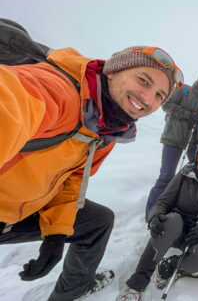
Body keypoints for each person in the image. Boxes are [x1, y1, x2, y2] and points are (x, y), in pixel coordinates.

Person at [0, 34, 183, 301]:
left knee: (98, 221)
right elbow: (12, 101)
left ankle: (68, 293)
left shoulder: (104, 127)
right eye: (143, 80)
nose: (148, 98)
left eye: (159, 96)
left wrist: (57, 232)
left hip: (18, 209)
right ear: (113, 70)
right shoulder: (60, 92)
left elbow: (72, 179)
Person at [117, 140, 198, 301]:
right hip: (177, 229)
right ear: (197, 155)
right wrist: (155, 216)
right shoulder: (184, 174)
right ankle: (136, 285)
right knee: (171, 221)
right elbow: (163, 201)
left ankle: (167, 268)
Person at [145, 70, 198, 220]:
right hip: (173, 138)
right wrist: (187, 114)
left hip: (191, 143)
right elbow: (166, 104)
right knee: (166, 176)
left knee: (196, 175)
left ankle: (179, 208)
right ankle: (150, 214)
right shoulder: (184, 89)